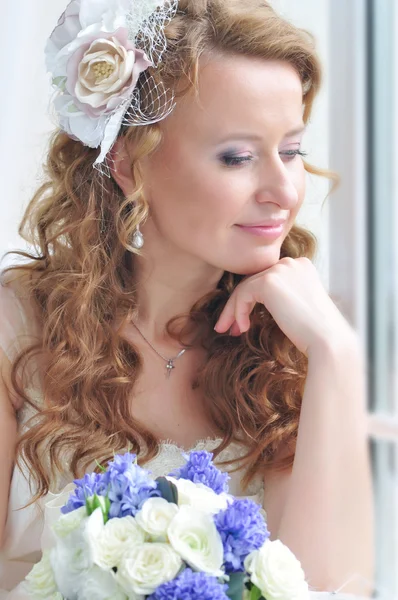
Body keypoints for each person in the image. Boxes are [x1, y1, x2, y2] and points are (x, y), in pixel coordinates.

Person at [0, 0, 375, 597]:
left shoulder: (299, 340)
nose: (283, 191)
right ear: (129, 163)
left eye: (292, 151)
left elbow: (327, 587)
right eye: (238, 157)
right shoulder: (14, 330)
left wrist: (335, 354)